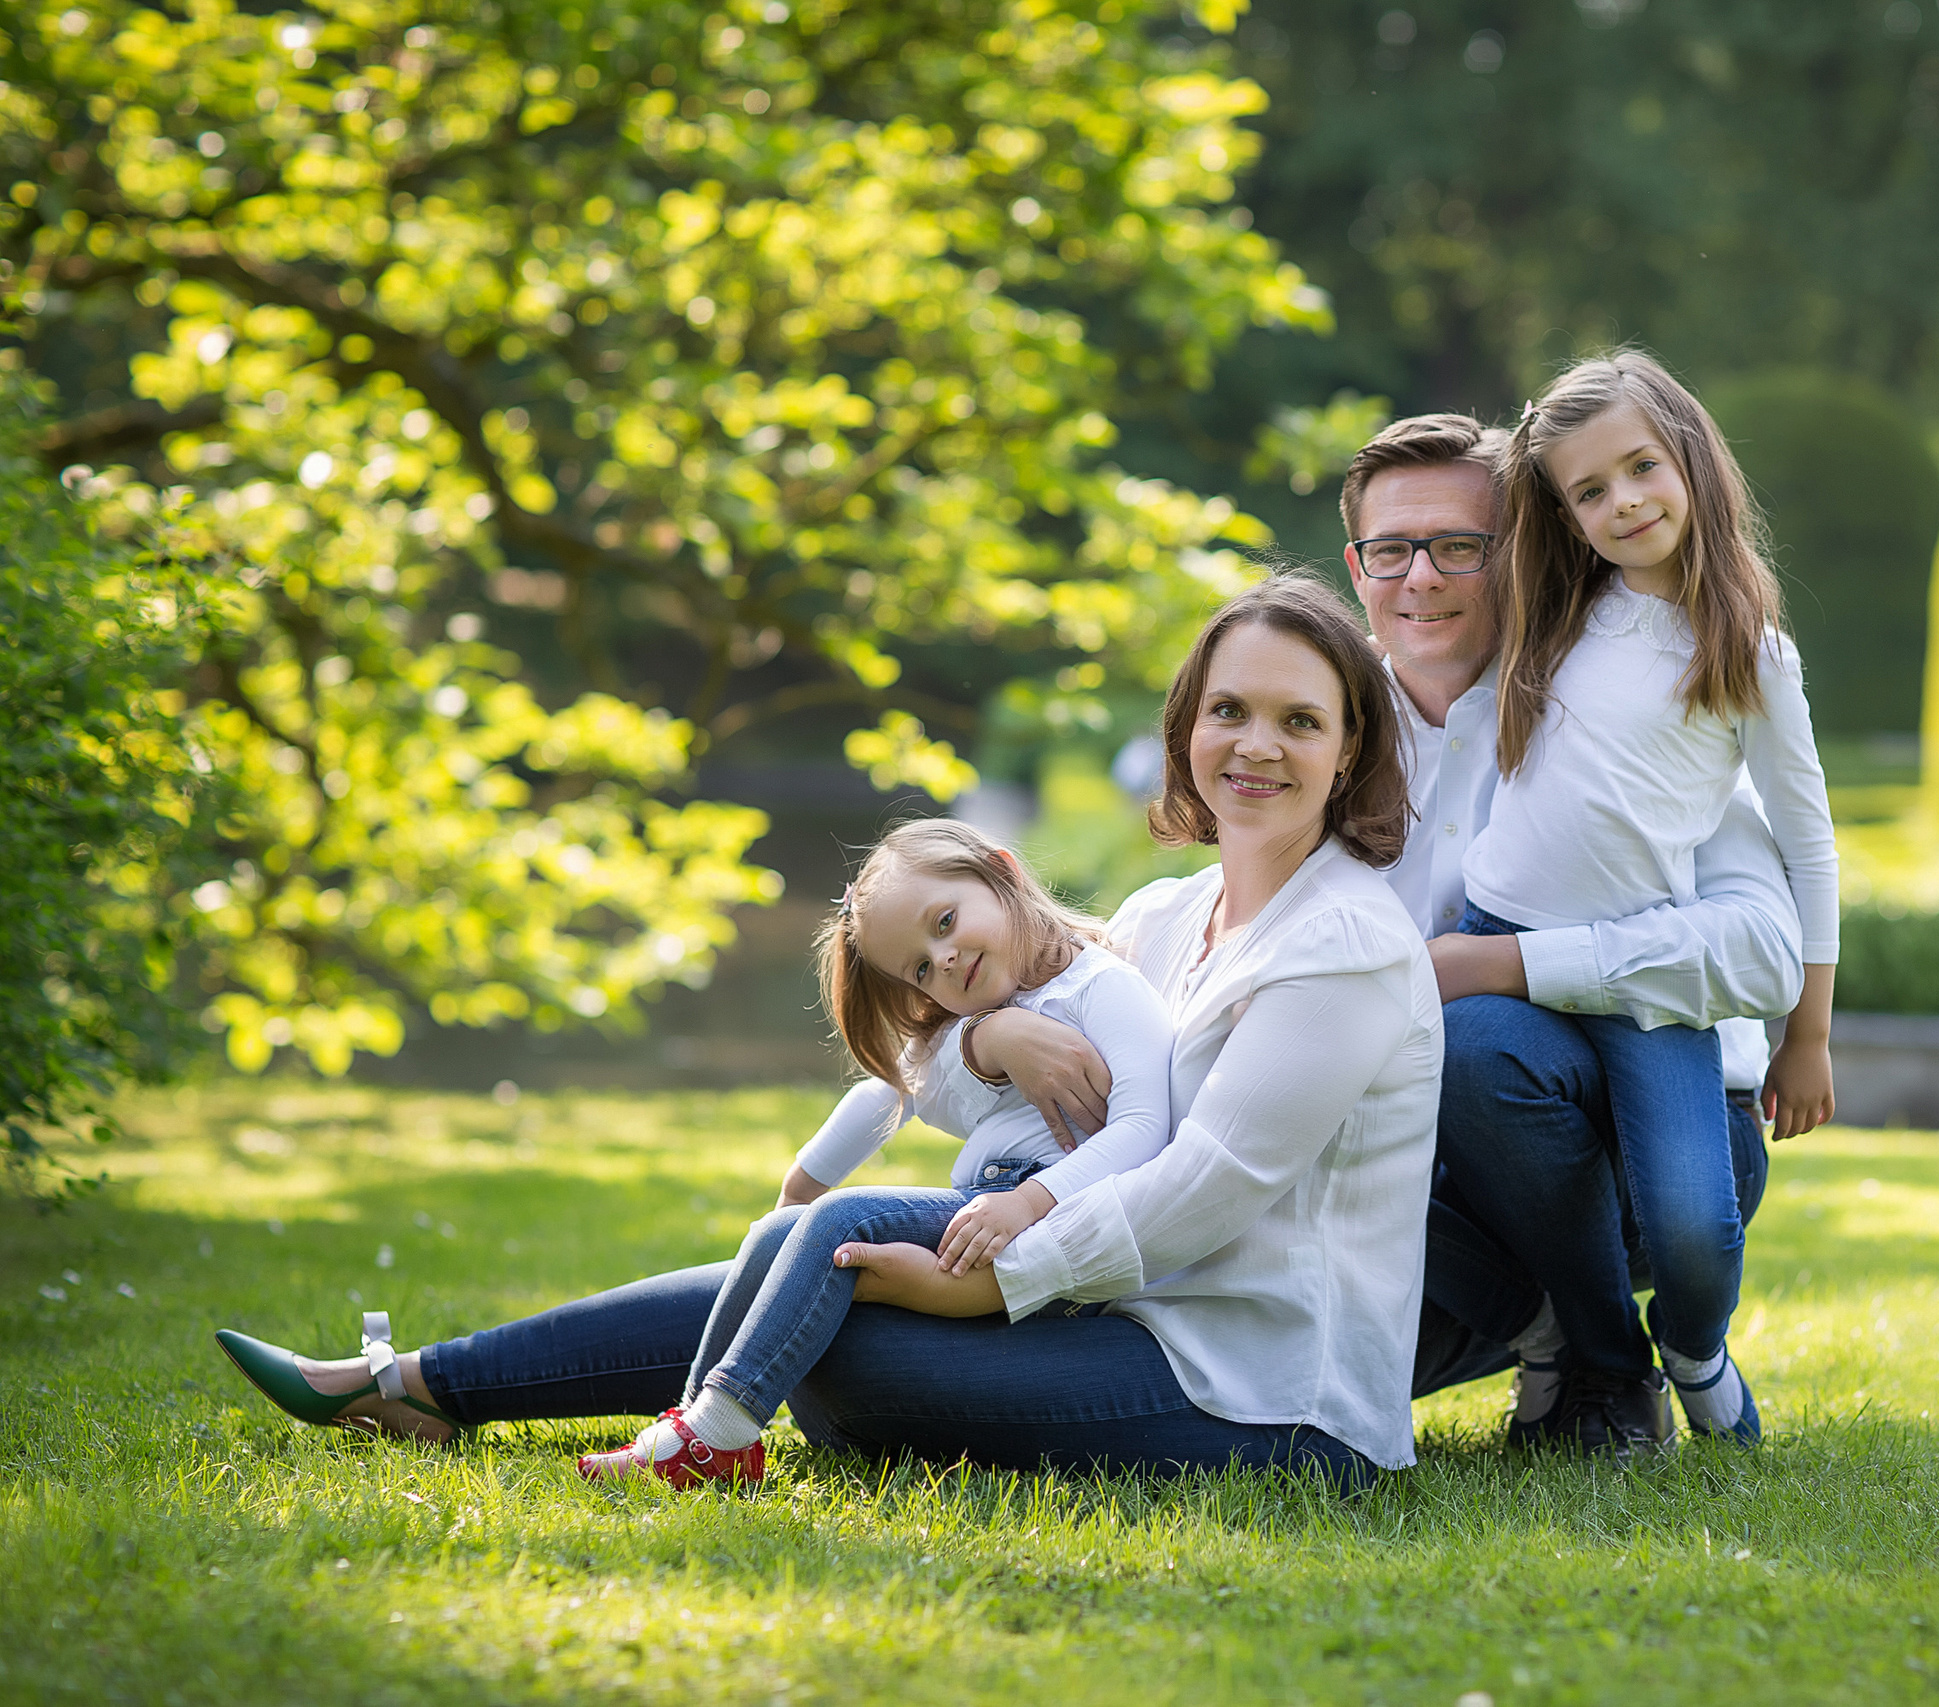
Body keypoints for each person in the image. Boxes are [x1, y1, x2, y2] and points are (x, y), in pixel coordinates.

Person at [212, 577, 1442, 1488]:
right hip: (1125, 1318)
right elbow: (1007, 1036)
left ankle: (694, 1425)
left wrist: (996, 1282)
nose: (1255, 746)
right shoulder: (1168, 918)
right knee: (805, 1259)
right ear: (1184, 727)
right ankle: (425, 1387)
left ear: (1348, 751)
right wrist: (985, 1047)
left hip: (1267, 1395)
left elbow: (1207, 1186)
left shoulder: (1345, 944)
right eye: (1228, 709)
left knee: (828, 1329)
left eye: (1299, 720)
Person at [1324, 412, 1812, 1456]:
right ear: (1354, 564)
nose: (1422, 578)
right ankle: (1537, 1323)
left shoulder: (1623, 707)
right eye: (1390, 550)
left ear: (1529, 551)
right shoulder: (1312, 724)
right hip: (1422, 1162)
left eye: (1462, 546)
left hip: (1645, 1143)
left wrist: (1503, 963)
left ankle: (1601, 1360)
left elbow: (1759, 953)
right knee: (1295, 1339)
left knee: (1475, 1045)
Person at [1452, 349, 1840, 1455]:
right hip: (1499, 937)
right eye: (1587, 490)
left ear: (1689, 458)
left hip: (1638, 972)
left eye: (1640, 468)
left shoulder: (1746, 652)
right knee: (1482, 1093)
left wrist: (1805, 1034)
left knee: (1693, 1226)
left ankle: (1694, 1347)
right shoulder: (1549, 616)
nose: (1621, 502)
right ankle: (1603, 1368)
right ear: (1561, 515)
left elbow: (1806, 841)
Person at [569, 819, 1177, 1487]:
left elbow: (1146, 1127)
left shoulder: (1103, 987)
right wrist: (799, 1186)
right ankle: (694, 1426)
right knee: (793, 1226)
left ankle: (711, 1438)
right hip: (992, 1207)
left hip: (1052, 1233)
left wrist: (1025, 1202)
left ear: (1002, 873)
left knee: (841, 1221)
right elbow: (888, 1091)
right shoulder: (993, 1013)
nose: (942, 958)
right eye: (920, 966)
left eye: (945, 921)